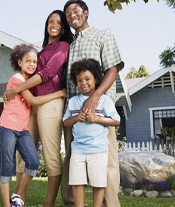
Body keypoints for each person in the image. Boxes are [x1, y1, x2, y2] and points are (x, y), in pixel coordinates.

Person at [4, 10, 73, 207]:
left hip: (50, 103)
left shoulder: (63, 46)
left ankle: (48, 204)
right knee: (23, 153)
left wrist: (17, 89)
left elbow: (48, 73)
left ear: (63, 27)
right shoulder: (41, 50)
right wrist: (16, 92)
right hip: (32, 105)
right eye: (51, 21)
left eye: (59, 22)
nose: (54, 25)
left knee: (51, 155)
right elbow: (30, 73)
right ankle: (19, 200)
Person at [61, 1, 125, 207]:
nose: (72, 16)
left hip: (100, 112)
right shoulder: (70, 45)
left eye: (76, 11)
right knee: (72, 159)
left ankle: (109, 204)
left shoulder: (103, 35)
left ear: (86, 13)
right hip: (74, 113)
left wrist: (96, 96)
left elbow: (112, 69)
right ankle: (73, 203)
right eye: (68, 14)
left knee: (106, 161)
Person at [0, 43, 67, 207]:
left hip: (21, 130)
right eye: (27, 61)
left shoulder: (30, 83)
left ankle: (16, 194)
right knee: (7, 165)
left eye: (34, 62)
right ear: (19, 62)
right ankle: (8, 205)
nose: (32, 65)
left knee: (34, 162)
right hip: (7, 127)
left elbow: (32, 102)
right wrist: (60, 93)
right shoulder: (18, 79)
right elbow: (34, 101)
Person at [63, 59, 120, 207]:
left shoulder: (104, 100)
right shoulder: (74, 101)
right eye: (79, 80)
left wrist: (96, 119)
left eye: (88, 79)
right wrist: (76, 117)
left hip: (98, 149)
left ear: (96, 78)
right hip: (78, 150)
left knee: (98, 182)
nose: (84, 83)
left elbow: (116, 120)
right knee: (77, 181)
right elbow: (66, 122)